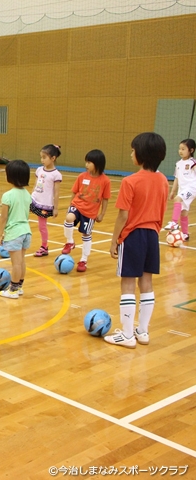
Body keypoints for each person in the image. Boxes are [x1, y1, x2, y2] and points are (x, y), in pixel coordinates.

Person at [104, 132, 169, 348]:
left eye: (133, 150)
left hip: (133, 236)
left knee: (128, 284)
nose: (131, 153)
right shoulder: (163, 180)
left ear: (140, 154)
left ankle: (127, 334)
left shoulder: (130, 181)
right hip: (152, 235)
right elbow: (162, 210)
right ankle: (142, 332)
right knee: (147, 283)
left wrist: (114, 241)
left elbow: (123, 215)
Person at [61, 150, 111, 272]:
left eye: (89, 162)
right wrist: (70, 206)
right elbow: (74, 192)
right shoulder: (82, 176)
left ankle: (83, 260)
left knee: (86, 235)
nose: (86, 165)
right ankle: (70, 242)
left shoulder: (105, 181)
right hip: (77, 205)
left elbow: (105, 199)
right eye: (86, 162)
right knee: (69, 218)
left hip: (90, 213)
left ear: (97, 164)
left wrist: (102, 214)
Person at [0, 160, 32, 299]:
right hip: (26, 231)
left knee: (16, 263)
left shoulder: (8, 195)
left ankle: (13, 289)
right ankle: (19, 287)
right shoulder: (27, 194)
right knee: (22, 261)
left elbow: (3, 218)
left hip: (14, 233)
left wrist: (0, 234)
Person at [31, 144, 62, 257]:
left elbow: (56, 193)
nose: (42, 160)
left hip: (44, 204)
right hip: (33, 200)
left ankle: (44, 247)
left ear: (53, 158)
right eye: (41, 157)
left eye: (44, 157)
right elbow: (35, 186)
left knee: (42, 226)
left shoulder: (56, 175)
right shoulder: (39, 170)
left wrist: (56, 208)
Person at [163, 138, 196, 241]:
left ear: (191, 150)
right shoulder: (178, 163)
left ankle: (174, 223)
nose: (180, 151)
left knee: (178, 199)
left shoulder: (192, 162)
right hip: (182, 189)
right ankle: (185, 234)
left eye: (183, 149)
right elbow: (177, 178)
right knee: (184, 212)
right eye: (179, 149)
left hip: (191, 188)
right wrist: (173, 191)